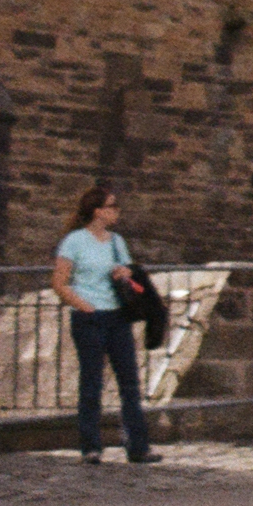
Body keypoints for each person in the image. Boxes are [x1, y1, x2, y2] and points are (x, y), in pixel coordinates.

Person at [54, 188, 161, 466]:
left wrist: (126, 272)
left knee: (129, 382)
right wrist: (82, 305)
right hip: (89, 318)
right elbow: (59, 282)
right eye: (112, 206)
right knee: (92, 382)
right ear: (97, 210)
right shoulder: (74, 242)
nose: (117, 210)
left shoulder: (116, 242)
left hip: (117, 317)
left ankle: (138, 446)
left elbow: (128, 272)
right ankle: (91, 447)